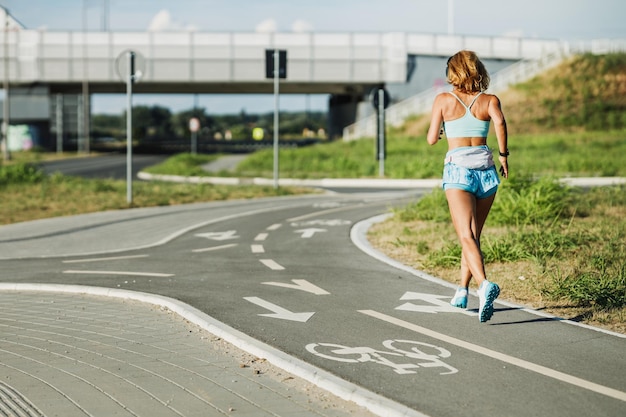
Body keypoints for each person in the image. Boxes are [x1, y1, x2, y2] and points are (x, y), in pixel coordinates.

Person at [426, 50, 509, 322]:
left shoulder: (443, 100)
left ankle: (484, 285)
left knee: (465, 235)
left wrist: (441, 131)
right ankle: (462, 290)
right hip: (486, 173)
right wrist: (504, 156)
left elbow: (431, 139)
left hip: (459, 173)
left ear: (453, 72)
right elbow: (500, 122)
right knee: (473, 235)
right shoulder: (490, 100)